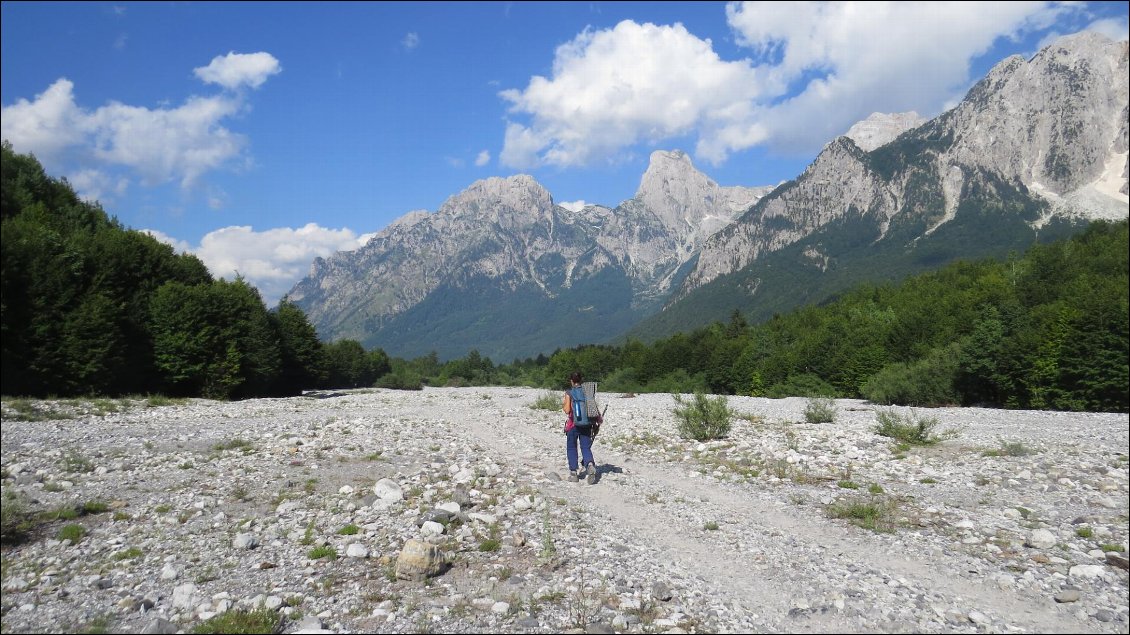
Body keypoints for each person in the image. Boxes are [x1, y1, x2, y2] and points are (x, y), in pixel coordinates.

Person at [563, 372, 600, 484]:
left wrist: (564, 404)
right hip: (587, 424)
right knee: (585, 447)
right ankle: (589, 464)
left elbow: (567, 410)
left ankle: (574, 473)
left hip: (573, 425)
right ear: (581, 380)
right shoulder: (587, 392)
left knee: (572, 447)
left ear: (571, 381)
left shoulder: (569, 392)